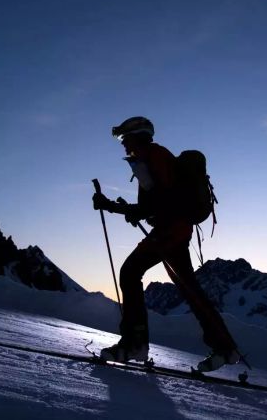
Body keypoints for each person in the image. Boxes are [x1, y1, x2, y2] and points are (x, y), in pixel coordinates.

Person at [92, 116, 241, 372]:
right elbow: (155, 203)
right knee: (189, 289)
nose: (123, 145)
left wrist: (126, 209)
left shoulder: (155, 156)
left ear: (137, 135)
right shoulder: (148, 158)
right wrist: (123, 208)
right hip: (174, 230)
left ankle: (135, 343)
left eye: (124, 139)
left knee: (130, 273)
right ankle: (225, 348)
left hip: (170, 230)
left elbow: (164, 200)